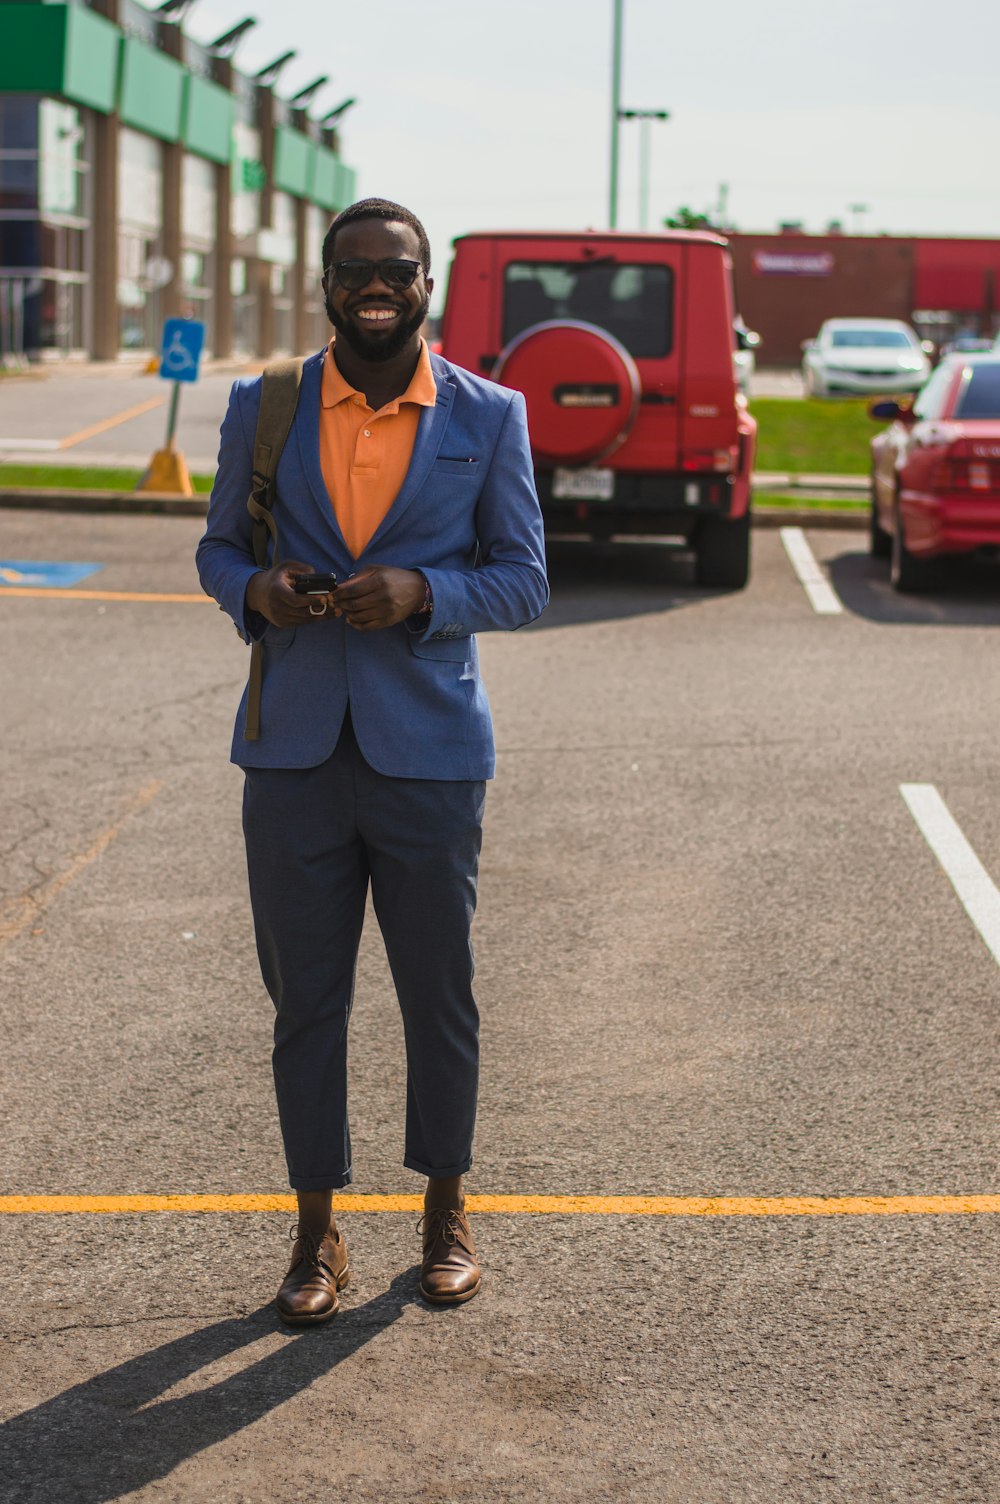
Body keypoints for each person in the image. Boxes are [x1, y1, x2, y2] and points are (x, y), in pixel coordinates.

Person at [197, 198, 548, 1324]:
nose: (376, 286)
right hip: (293, 753)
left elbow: (525, 577)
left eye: (396, 269)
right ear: (328, 284)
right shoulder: (268, 407)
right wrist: (253, 589)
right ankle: (315, 1238)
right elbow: (216, 545)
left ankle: (444, 1213)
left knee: (438, 994)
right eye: (356, 270)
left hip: (430, 754)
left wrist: (428, 594)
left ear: (426, 285)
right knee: (306, 1002)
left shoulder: (488, 416)